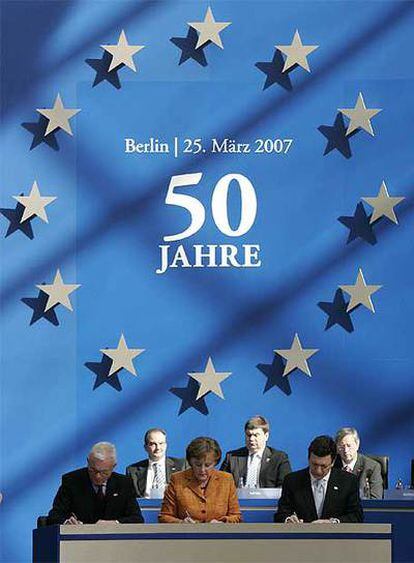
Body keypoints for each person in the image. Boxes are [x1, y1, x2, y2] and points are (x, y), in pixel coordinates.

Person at [47, 442, 143, 525]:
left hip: (115, 541)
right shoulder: (72, 481)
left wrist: (115, 523)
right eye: (93, 470)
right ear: (88, 462)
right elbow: (54, 516)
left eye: (104, 472)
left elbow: (137, 519)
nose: (97, 476)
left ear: (113, 466)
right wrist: (67, 522)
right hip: (79, 541)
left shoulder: (124, 484)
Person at [274, 435, 363, 523]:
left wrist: (333, 523)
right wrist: (288, 519)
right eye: (314, 464)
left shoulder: (348, 482)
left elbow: (356, 516)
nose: (318, 471)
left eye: (324, 466)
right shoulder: (292, 481)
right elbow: (281, 514)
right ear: (308, 459)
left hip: (335, 536)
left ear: (333, 462)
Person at [158, 436, 242, 523]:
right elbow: (164, 516)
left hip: (218, 535)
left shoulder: (226, 480)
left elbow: (236, 516)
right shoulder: (177, 480)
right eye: (197, 465)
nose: (202, 470)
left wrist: (222, 523)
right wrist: (181, 523)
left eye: (207, 465)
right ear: (190, 462)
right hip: (187, 535)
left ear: (215, 463)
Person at [220, 415, 291, 488]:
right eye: (248, 435)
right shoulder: (232, 457)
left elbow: (285, 486)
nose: (251, 439)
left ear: (266, 436)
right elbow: (220, 484)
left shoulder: (279, 458)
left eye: (256, 435)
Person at [126, 427, 187, 497]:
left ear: (166, 445)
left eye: (161, 443)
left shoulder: (181, 466)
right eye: (153, 444)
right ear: (145, 447)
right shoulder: (132, 471)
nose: (158, 448)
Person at [335, 427, 383, 499]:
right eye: (341, 446)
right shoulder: (331, 466)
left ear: (357, 445)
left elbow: (375, 499)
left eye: (349, 445)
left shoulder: (372, 467)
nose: (345, 450)